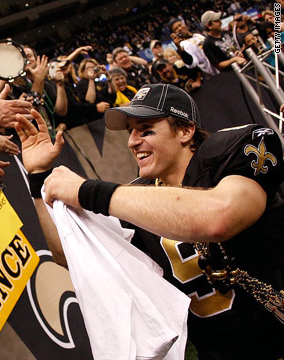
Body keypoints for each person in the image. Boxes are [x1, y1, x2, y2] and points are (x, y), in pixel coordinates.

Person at [19, 83, 284, 359]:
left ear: (185, 130)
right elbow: (65, 255)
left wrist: (87, 192)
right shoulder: (140, 195)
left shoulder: (238, 148)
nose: (132, 141)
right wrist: (38, 176)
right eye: (130, 131)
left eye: (146, 130)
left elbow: (219, 217)